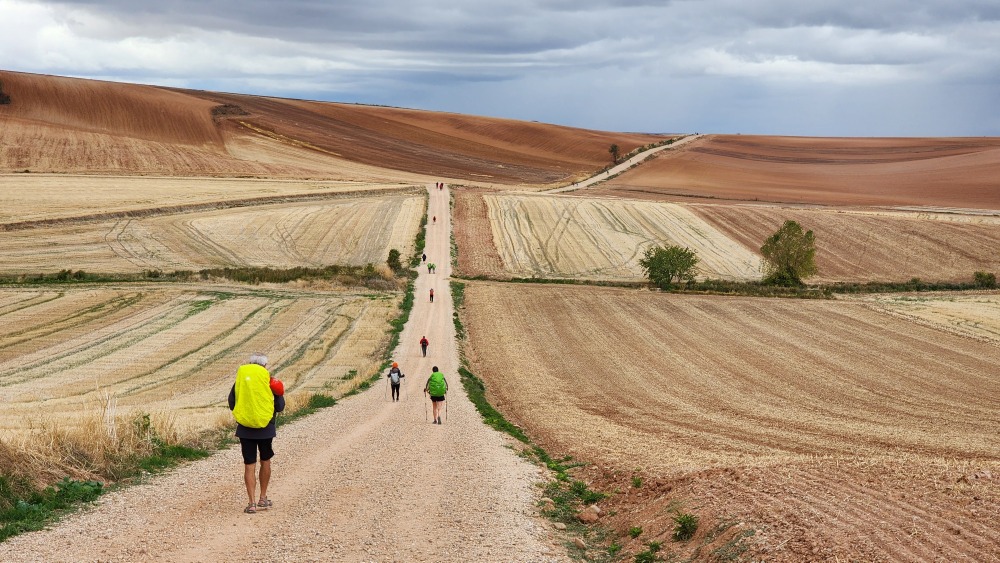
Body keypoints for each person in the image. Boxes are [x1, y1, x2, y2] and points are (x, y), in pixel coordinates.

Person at [228, 353, 285, 514]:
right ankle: (263, 498)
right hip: (266, 428)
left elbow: (232, 403)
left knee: (249, 464)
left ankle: (251, 503)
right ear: (265, 366)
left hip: (245, 429)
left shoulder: (240, 382)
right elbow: (280, 406)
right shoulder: (270, 382)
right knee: (265, 461)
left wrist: (246, 415)